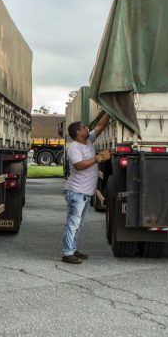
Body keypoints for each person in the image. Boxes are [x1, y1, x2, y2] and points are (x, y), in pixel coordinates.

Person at [61, 113, 111, 264]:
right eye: (83, 127)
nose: (86, 128)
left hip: (84, 192)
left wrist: (108, 112)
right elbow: (79, 165)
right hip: (76, 192)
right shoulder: (74, 147)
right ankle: (67, 253)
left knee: (79, 224)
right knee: (73, 223)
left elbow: (100, 127)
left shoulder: (88, 140)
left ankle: (73, 248)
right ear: (78, 132)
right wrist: (97, 158)